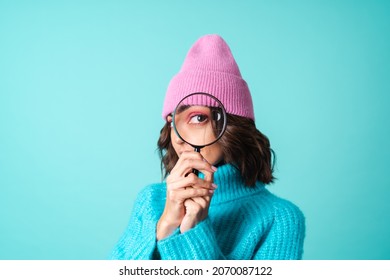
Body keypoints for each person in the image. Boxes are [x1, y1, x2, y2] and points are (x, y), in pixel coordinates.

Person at [110, 34, 305, 260]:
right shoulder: (151, 201)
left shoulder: (280, 219)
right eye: (173, 121)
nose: (179, 139)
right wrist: (166, 225)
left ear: (231, 126)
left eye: (197, 118)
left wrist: (194, 230)